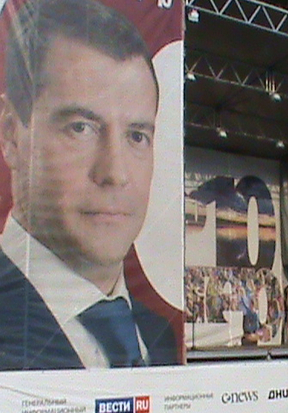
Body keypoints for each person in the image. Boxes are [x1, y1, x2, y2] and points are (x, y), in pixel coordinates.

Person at [0, 0, 177, 369]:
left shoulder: (159, 335)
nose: (115, 173)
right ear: (11, 135)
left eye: (137, 136)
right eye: (80, 128)